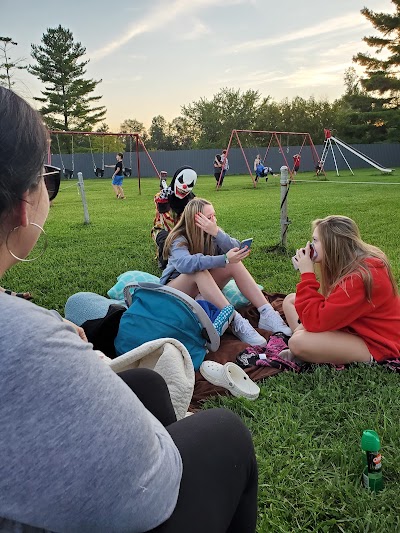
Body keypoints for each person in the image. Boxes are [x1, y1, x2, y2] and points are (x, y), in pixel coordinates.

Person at [0, 87, 259, 532]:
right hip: (171, 288)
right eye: (50, 180)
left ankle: (250, 319)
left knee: (146, 384)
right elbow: (148, 492)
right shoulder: (173, 228)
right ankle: (237, 322)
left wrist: (219, 237)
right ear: (26, 205)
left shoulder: (28, 329)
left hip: (165, 294)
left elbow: (233, 256)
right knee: (226, 434)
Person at [160, 197, 292, 345]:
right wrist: (223, 258)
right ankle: (235, 321)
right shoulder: (178, 238)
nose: (214, 220)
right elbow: (185, 264)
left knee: (233, 264)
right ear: (196, 220)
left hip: (202, 286)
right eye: (209, 217)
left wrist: (217, 233)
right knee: (199, 270)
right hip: (175, 291)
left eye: (214, 216)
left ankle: (266, 312)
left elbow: (235, 247)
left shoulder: (212, 233)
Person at [281, 215, 400, 365]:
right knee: (290, 300)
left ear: (332, 244)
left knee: (297, 342)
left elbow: (315, 321)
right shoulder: (349, 262)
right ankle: (314, 349)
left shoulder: (360, 278)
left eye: (315, 241)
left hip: (378, 342)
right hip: (353, 327)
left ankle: (313, 351)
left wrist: (307, 274)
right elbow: (324, 310)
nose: (310, 245)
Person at [151, 166, 198, 269]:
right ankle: (164, 260)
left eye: (189, 184)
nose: (184, 186)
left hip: (184, 232)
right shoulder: (161, 197)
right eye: (181, 181)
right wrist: (164, 199)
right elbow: (164, 218)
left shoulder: (193, 201)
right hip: (163, 230)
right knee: (166, 240)